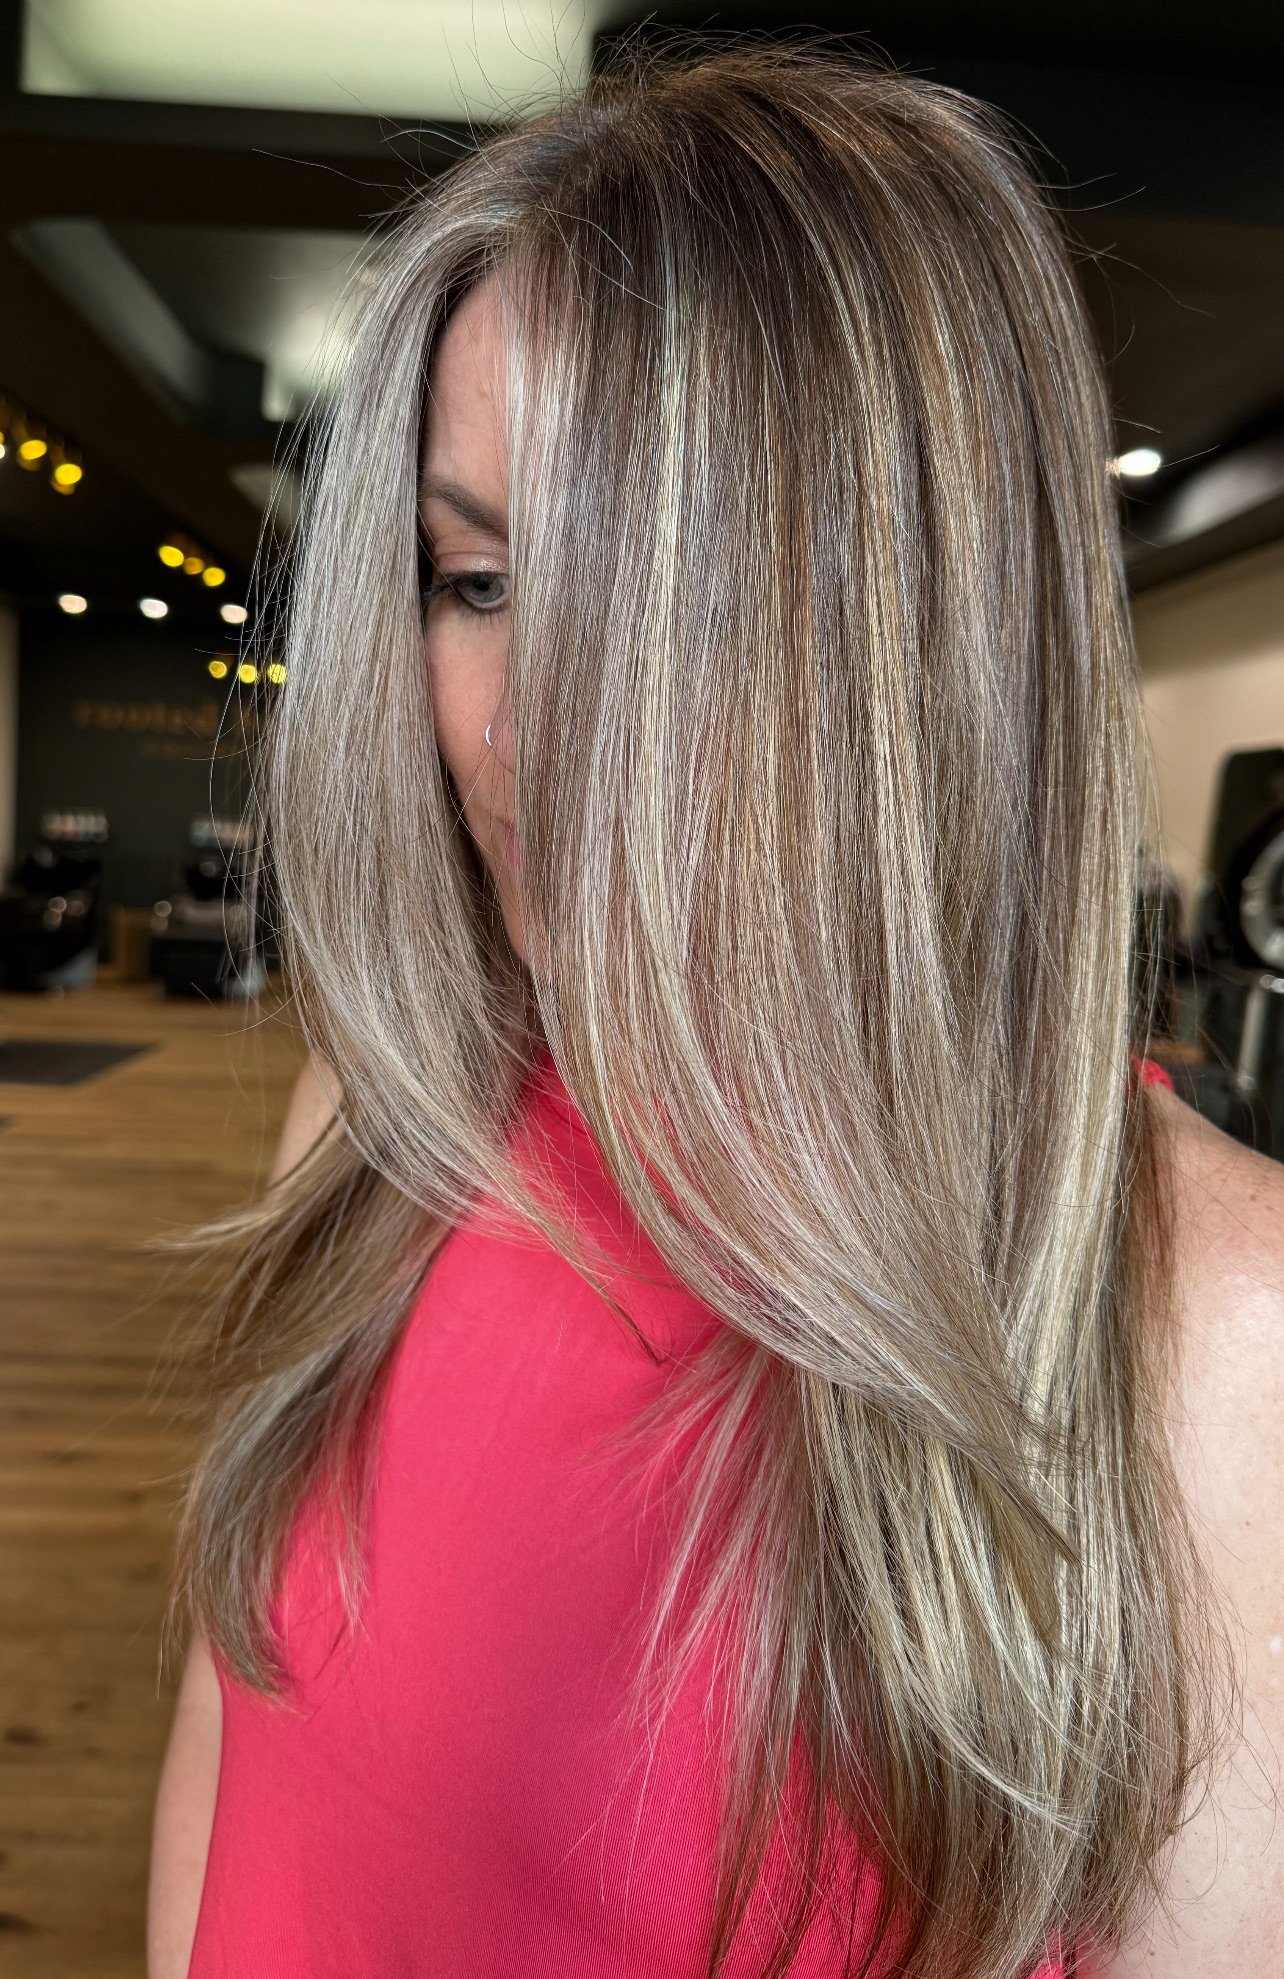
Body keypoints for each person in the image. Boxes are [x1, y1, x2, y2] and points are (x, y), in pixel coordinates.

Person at [146, 41, 1284, 1979]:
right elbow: (222, 1757)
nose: (527, 732)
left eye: (669, 606)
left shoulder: (1210, 1336)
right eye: (479, 577)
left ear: (917, 635)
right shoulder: (395, 1100)